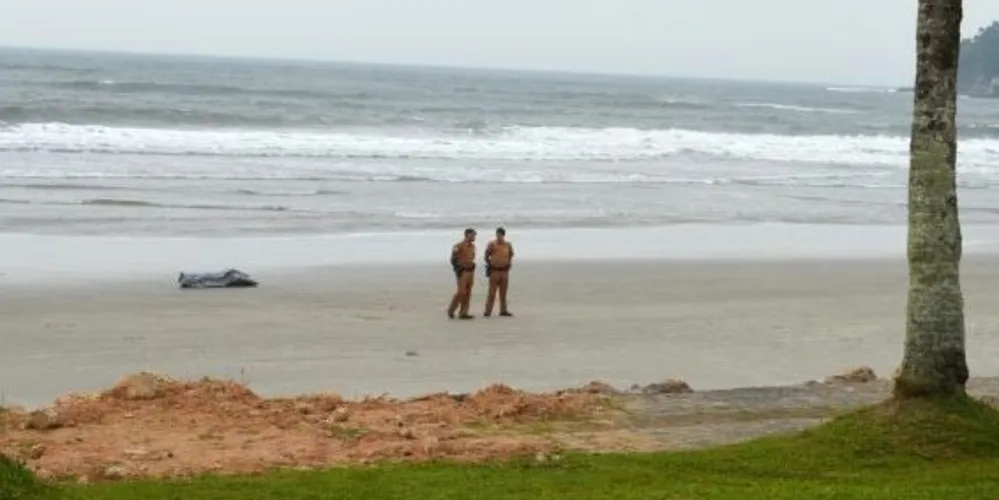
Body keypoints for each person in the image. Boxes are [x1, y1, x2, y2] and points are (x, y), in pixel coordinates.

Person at [483, 226, 514, 317]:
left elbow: (511, 255)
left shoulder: (508, 245)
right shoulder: (492, 244)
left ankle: (503, 310)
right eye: (497, 235)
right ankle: (488, 311)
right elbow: (486, 255)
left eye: (500, 235)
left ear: (503, 235)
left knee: (503, 292)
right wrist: (490, 264)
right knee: (492, 292)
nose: (498, 237)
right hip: (494, 271)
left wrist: (509, 263)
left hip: (504, 271)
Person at [447, 228, 477, 320]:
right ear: (467, 235)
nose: (474, 237)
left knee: (468, 292)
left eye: (475, 235)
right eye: (473, 235)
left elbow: (472, 257)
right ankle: (451, 310)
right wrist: (458, 269)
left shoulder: (473, 246)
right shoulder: (458, 246)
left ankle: (464, 312)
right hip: (462, 272)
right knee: (461, 292)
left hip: (470, 272)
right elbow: (452, 259)